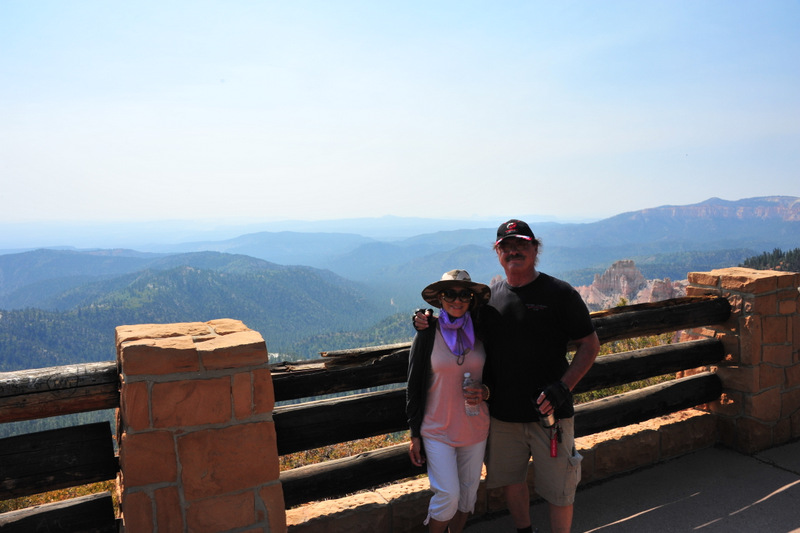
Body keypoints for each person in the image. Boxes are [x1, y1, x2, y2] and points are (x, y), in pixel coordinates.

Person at [414, 220, 600, 533]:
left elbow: (590, 345)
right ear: (498, 253)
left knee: (560, 488)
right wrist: (426, 320)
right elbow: (456, 321)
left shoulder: (560, 293)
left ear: (535, 249)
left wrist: (563, 387)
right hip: (502, 417)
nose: (513, 251)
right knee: (512, 481)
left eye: (521, 244)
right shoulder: (489, 301)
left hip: (550, 414)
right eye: (506, 246)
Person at [406, 269, 493, 533]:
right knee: (448, 496)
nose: (457, 300)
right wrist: (414, 434)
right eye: (449, 294)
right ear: (440, 299)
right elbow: (414, 385)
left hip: (475, 428)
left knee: (467, 496)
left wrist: (486, 391)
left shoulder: (483, 332)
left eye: (464, 294)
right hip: (437, 430)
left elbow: (498, 374)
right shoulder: (427, 333)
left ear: (472, 299)